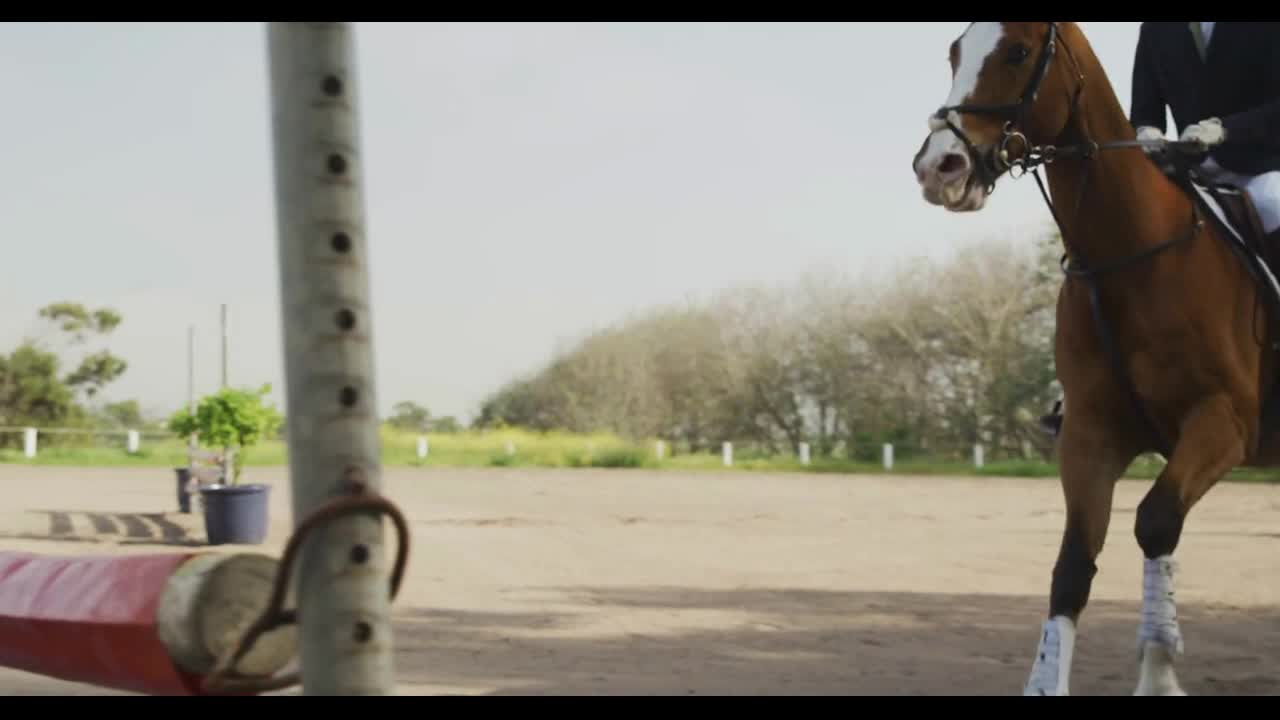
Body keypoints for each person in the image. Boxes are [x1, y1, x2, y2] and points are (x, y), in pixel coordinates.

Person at [1039, 22, 1280, 437]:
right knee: (1122, 231)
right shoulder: (1157, 29)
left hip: (1264, 165)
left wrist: (1226, 130)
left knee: (1274, 206)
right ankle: (1087, 386)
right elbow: (1146, 110)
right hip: (1191, 166)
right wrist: (1146, 133)